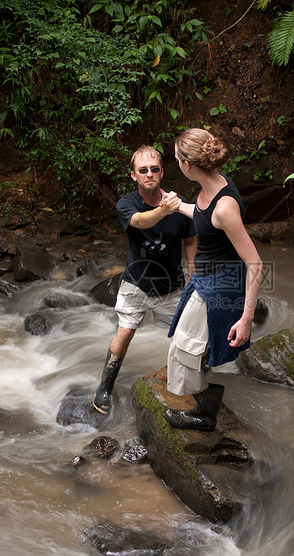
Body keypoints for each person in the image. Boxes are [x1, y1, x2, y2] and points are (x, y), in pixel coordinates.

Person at [163, 128, 263, 431]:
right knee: (188, 345)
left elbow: (255, 263)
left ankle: (205, 413)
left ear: (188, 165)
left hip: (221, 283)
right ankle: (206, 399)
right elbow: (205, 218)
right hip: (205, 278)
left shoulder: (225, 207)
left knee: (183, 349)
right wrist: (179, 206)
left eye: (177, 159)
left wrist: (246, 319)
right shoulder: (212, 186)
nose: (176, 164)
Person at [92, 145, 197, 415]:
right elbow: (139, 222)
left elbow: (191, 239)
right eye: (143, 171)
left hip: (172, 286)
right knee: (125, 332)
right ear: (134, 176)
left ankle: (187, 386)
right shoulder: (127, 204)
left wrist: (194, 277)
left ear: (162, 172)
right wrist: (164, 210)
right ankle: (105, 385)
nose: (149, 174)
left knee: (187, 337)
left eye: (154, 169)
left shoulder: (179, 202)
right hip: (136, 282)